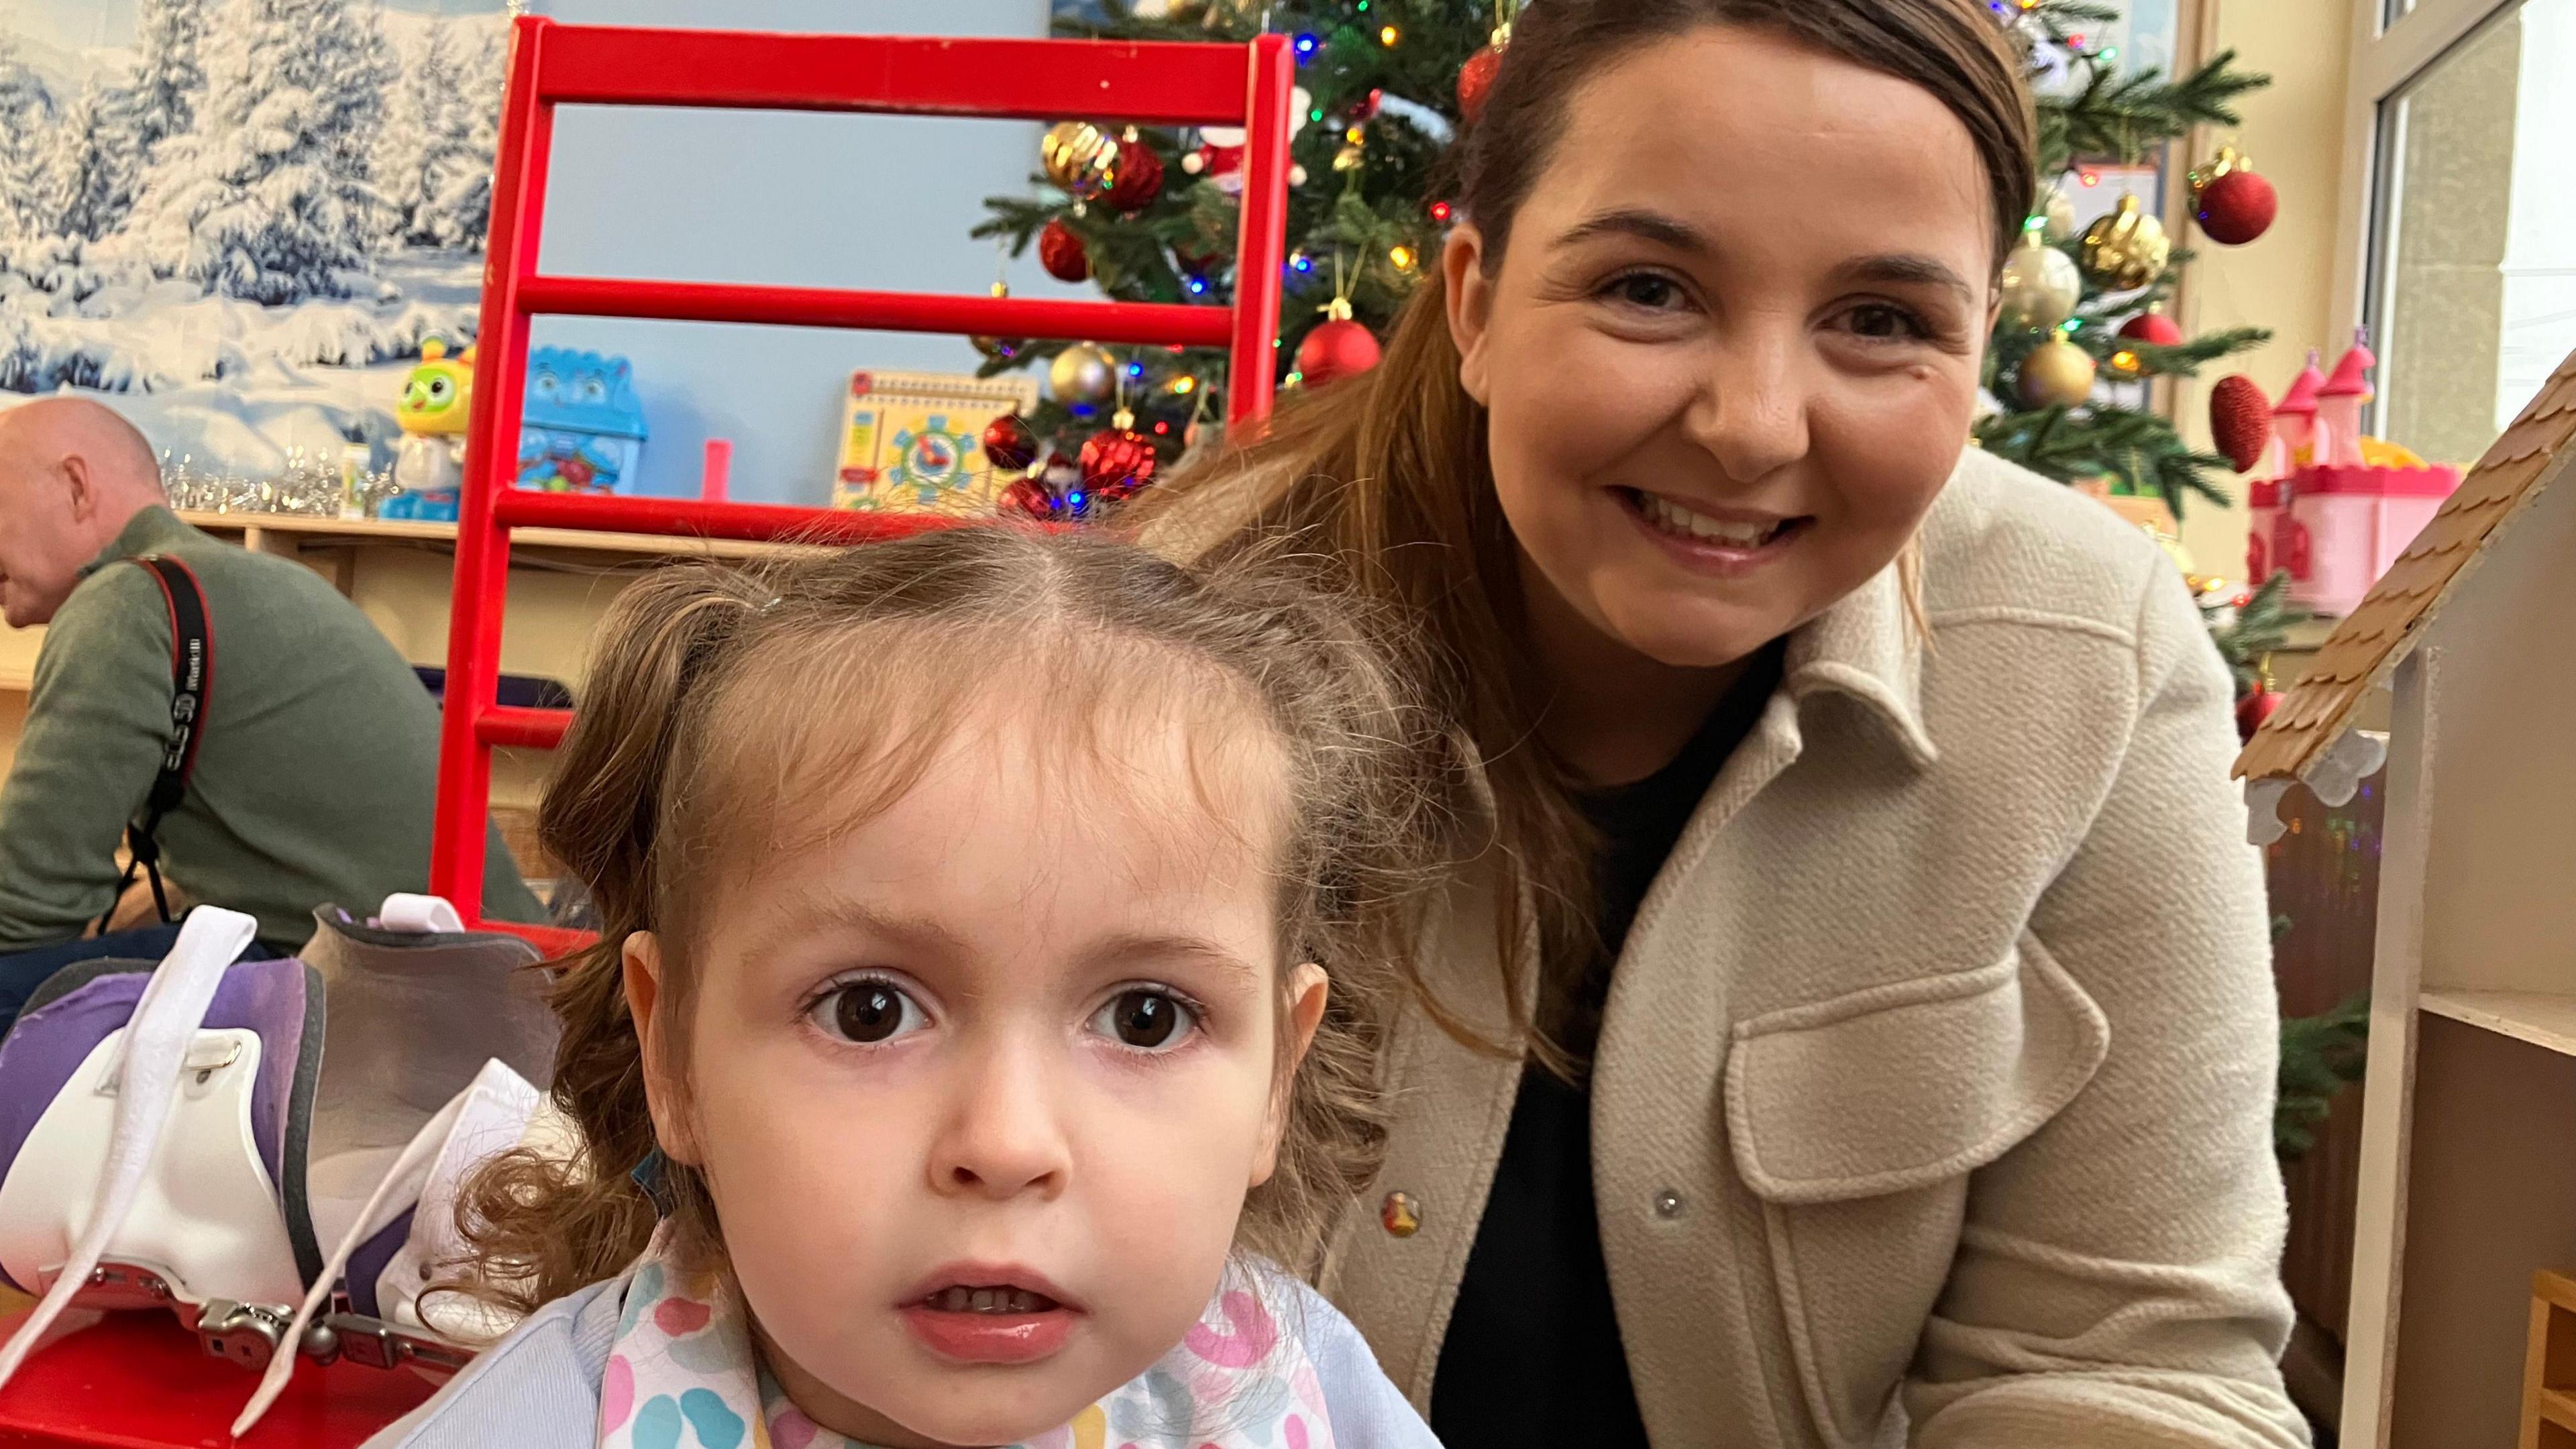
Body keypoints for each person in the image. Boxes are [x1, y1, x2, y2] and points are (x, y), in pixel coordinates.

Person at [1136, 1, 2307, 1445]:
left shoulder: (2095, 663)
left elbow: (2138, 1365)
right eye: (1647, 289)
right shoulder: (1166, 637)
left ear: (1980, 343)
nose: (1754, 426)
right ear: (1477, 302)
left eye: (1881, 322)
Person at [363, 528, 1448, 1449]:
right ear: (675, 1053)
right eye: (869, 1011)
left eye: (1145, 1017)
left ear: (1275, 1080)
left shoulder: (1308, 1397)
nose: (1009, 1143)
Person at [0, 397, 541, 1003]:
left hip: (376, 994)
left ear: (75, 487)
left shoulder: (124, 601)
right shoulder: (255, 580)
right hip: (489, 978)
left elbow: (26, 910)